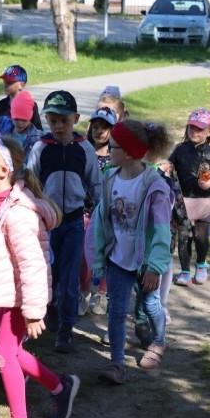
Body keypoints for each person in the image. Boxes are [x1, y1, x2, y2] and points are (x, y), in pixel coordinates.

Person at [0, 135, 79, 418]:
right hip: (3, 289)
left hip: (19, 295)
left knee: (2, 352)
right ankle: (60, 386)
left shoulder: (19, 212)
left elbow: (33, 264)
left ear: (4, 170)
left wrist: (33, 310)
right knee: (11, 352)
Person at [86, 120, 173, 382]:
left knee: (150, 305)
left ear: (129, 152)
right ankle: (116, 363)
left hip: (145, 262)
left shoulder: (153, 186)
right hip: (117, 259)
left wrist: (155, 267)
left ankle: (157, 342)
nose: (108, 151)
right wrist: (98, 258)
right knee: (116, 309)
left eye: (112, 147)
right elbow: (102, 221)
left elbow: (161, 230)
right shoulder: (110, 177)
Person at [27, 90, 102, 353]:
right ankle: (46, 315)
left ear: (76, 119)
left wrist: (100, 212)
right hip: (45, 225)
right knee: (46, 274)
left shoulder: (84, 148)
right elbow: (30, 182)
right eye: (53, 120)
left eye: (65, 121)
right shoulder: (40, 148)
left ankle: (66, 328)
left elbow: (95, 183)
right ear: (46, 119)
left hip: (72, 223)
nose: (59, 126)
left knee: (70, 278)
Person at [167, 109, 210, 286]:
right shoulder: (180, 150)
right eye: (191, 127)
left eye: (199, 129)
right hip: (183, 202)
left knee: (200, 236)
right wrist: (165, 170)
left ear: (209, 132)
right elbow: (170, 166)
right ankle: (184, 271)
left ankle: (201, 264)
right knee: (184, 237)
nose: (194, 132)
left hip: (204, 201)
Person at [78, 107, 118, 317]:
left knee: (106, 255)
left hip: (108, 215)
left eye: (104, 127)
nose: (99, 131)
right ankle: (83, 291)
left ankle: (101, 294)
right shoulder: (84, 152)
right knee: (85, 256)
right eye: (95, 126)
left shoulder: (115, 158)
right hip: (85, 212)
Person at [0, 65, 42, 134]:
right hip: (3, 143)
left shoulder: (31, 105)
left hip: (24, 144)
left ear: (21, 85)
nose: (5, 85)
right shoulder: (1, 105)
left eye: (9, 82)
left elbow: (38, 130)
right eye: (4, 82)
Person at [7, 90, 43, 156]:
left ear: (30, 118)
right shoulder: (6, 136)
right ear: (11, 117)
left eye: (24, 120)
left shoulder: (39, 138)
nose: (20, 123)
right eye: (16, 119)